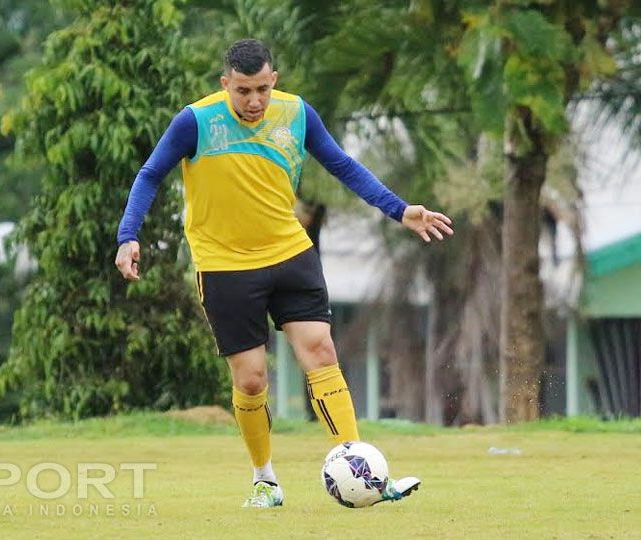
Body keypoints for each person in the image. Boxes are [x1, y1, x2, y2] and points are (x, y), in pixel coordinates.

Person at [115, 39, 453, 509]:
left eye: (261, 90)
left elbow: (342, 165)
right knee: (252, 379)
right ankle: (265, 481)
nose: (254, 102)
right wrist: (128, 234)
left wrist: (400, 210)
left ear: (274, 80)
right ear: (225, 85)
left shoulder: (297, 113)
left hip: (290, 253)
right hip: (224, 265)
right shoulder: (195, 121)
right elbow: (150, 173)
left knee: (321, 350)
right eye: (243, 91)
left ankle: (363, 472)